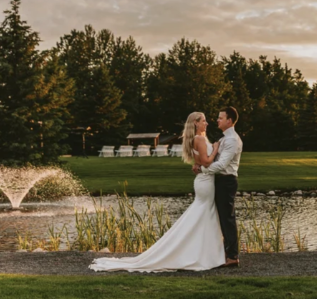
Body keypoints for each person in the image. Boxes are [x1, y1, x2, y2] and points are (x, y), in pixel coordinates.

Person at [88, 111, 225, 272]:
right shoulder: (200, 139)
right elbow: (207, 162)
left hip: (204, 181)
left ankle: (205, 252)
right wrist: (215, 149)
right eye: (204, 121)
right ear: (196, 123)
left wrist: (201, 162)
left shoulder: (197, 139)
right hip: (205, 183)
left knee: (202, 214)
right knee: (203, 213)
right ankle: (203, 253)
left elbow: (199, 163)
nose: (206, 123)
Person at [192, 106, 243, 268]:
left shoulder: (232, 140)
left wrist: (202, 169)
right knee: (220, 217)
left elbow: (221, 165)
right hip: (219, 181)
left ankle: (233, 256)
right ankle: (223, 252)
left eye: (220, 118)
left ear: (229, 121)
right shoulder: (223, 139)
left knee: (227, 218)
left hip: (227, 181)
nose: (217, 120)